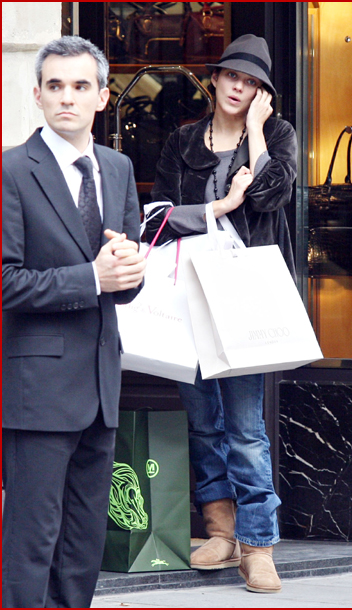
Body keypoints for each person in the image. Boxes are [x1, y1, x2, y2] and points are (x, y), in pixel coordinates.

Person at [145, 34, 298, 594]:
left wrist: (256, 130)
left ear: (262, 94)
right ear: (215, 79)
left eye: (252, 82)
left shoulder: (277, 135)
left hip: (246, 294)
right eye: (233, 76)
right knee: (203, 418)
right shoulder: (184, 139)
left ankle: (258, 545)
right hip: (188, 288)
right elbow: (160, 215)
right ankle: (220, 530)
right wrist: (219, 205)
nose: (239, 87)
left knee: (246, 427)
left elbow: (274, 196)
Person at [2, 36, 146, 608]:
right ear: (37, 95)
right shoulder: (11, 170)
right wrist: (91, 278)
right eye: (56, 86)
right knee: (32, 543)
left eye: (81, 86)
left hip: (101, 387)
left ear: (102, 97)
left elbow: (123, 284)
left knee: (83, 546)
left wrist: (131, 272)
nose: (68, 97)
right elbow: (6, 281)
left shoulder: (118, 167)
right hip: (36, 392)